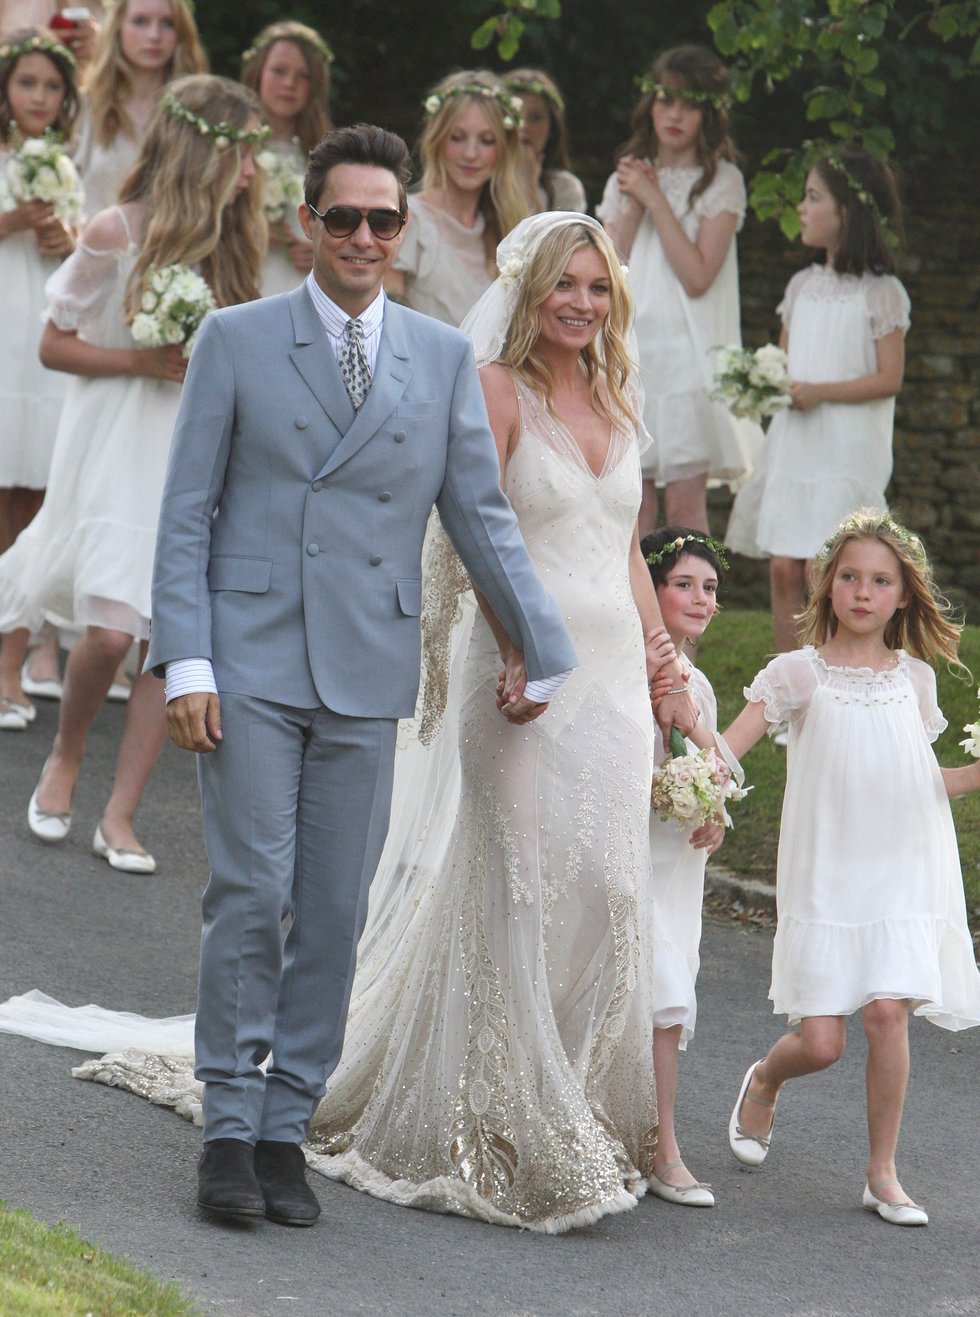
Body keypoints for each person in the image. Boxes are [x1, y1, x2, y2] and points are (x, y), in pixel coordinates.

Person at [146, 125, 580, 1229]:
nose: (363, 236)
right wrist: (185, 658)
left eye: (383, 219)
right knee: (253, 892)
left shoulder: (438, 357)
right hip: (245, 656)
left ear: (402, 229)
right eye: (342, 216)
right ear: (308, 223)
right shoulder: (236, 338)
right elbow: (186, 511)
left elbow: (477, 513)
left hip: (367, 663)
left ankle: (285, 1126)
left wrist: (541, 644)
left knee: (335, 907)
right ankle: (227, 1126)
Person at [293, 212, 700, 1232]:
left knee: (607, 890)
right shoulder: (493, 389)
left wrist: (664, 669)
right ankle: (497, 1119)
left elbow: (623, 546)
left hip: (612, 677)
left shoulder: (619, 393)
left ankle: (569, 1096)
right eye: (564, 284)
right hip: (521, 672)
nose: (580, 303)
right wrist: (520, 646)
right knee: (517, 886)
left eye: (597, 288)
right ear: (528, 288)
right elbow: (472, 526)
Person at [0, 74, 265, 867]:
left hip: (197, 447)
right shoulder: (115, 229)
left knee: (168, 636)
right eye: (246, 153)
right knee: (113, 629)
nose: (255, 171)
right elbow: (54, 343)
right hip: (118, 439)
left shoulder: (237, 241)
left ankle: (120, 813)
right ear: (206, 150)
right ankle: (66, 754)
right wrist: (143, 360)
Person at [706, 510, 980, 1226]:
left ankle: (882, 1173)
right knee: (822, 1042)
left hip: (899, 866)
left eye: (880, 581)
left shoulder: (916, 679)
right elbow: (727, 750)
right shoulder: (798, 673)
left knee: (889, 1012)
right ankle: (766, 1077)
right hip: (828, 869)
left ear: (903, 595)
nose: (863, 591)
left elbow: (917, 776)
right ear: (828, 585)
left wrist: (975, 773)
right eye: (850, 577)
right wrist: (698, 789)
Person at [726, 149, 909, 688]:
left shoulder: (882, 293)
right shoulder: (801, 286)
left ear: (846, 212)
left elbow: (889, 377)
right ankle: (793, 688)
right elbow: (787, 363)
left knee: (824, 567)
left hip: (845, 447)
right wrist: (760, 382)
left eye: (813, 197)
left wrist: (820, 393)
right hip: (797, 442)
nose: (802, 209)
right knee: (784, 566)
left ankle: (838, 682)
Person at [599, 45, 756, 536]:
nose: (674, 115)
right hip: (633, 351)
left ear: (708, 114)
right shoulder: (626, 176)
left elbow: (697, 275)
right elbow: (607, 268)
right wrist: (634, 202)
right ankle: (637, 593)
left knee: (687, 509)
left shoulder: (721, 181)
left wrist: (655, 199)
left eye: (689, 105)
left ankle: (694, 588)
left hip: (688, 359)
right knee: (634, 507)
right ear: (651, 104)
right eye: (666, 101)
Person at [640, 526, 739, 1207]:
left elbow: (716, 768)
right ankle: (663, 1150)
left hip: (676, 865)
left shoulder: (696, 682)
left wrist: (714, 812)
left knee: (664, 1001)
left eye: (710, 587)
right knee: (660, 997)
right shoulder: (635, 675)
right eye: (684, 584)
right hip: (634, 854)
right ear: (650, 592)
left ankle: (647, 1139)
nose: (701, 598)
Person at [0, 27, 81, 729]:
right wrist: (12, 220)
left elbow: (81, 254)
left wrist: (64, 238)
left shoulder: (66, 166)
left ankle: (14, 661)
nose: (39, 97)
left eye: (52, 86)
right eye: (27, 83)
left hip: (41, 346)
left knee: (33, 501)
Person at [386, 69, 532, 326]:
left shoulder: (511, 229)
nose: (470, 153)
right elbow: (388, 320)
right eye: (457, 138)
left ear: (504, 148)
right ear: (438, 140)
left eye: (487, 140)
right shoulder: (409, 220)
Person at [73, 0, 205, 220]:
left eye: (168, 23)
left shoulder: (197, 112)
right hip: (94, 237)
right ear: (117, 27)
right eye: (140, 21)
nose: (154, 35)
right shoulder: (85, 106)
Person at [241, 19, 332, 296]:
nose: (289, 84)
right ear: (258, 72)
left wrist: (322, 250)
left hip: (304, 283)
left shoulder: (326, 155)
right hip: (246, 278)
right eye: (279, 71)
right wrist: (253, 231)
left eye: (303, 76)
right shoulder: (234, 147)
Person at [504, 68, 586, 213]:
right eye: (515, 116)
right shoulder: (477, 179)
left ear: (551, 128)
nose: (524, 126)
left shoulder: (565, 188)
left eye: (535, 118)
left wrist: (529, 188)